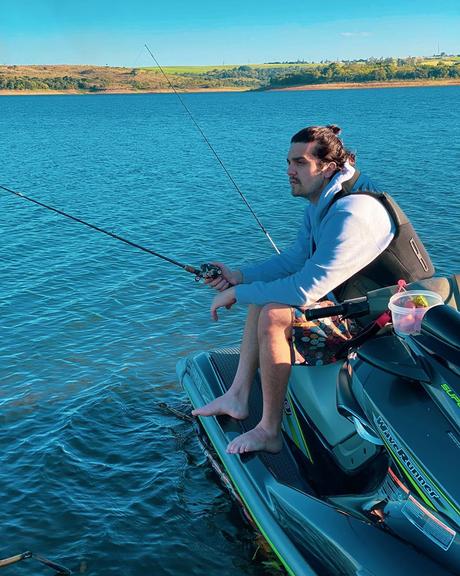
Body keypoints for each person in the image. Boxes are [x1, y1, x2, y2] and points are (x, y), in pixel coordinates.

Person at [192, 125, 434, 455]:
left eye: (300, 163)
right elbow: (296, 258)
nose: (290, 171)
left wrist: (238, 293)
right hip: (358, 303)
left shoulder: (354, 212)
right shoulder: (324, 200)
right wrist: (240, 278)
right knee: (263, 296)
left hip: (388, 317)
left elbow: (305, 290)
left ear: (329, 167)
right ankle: (237, 396)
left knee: (274, 313)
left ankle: (269, 431)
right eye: (289, 162)